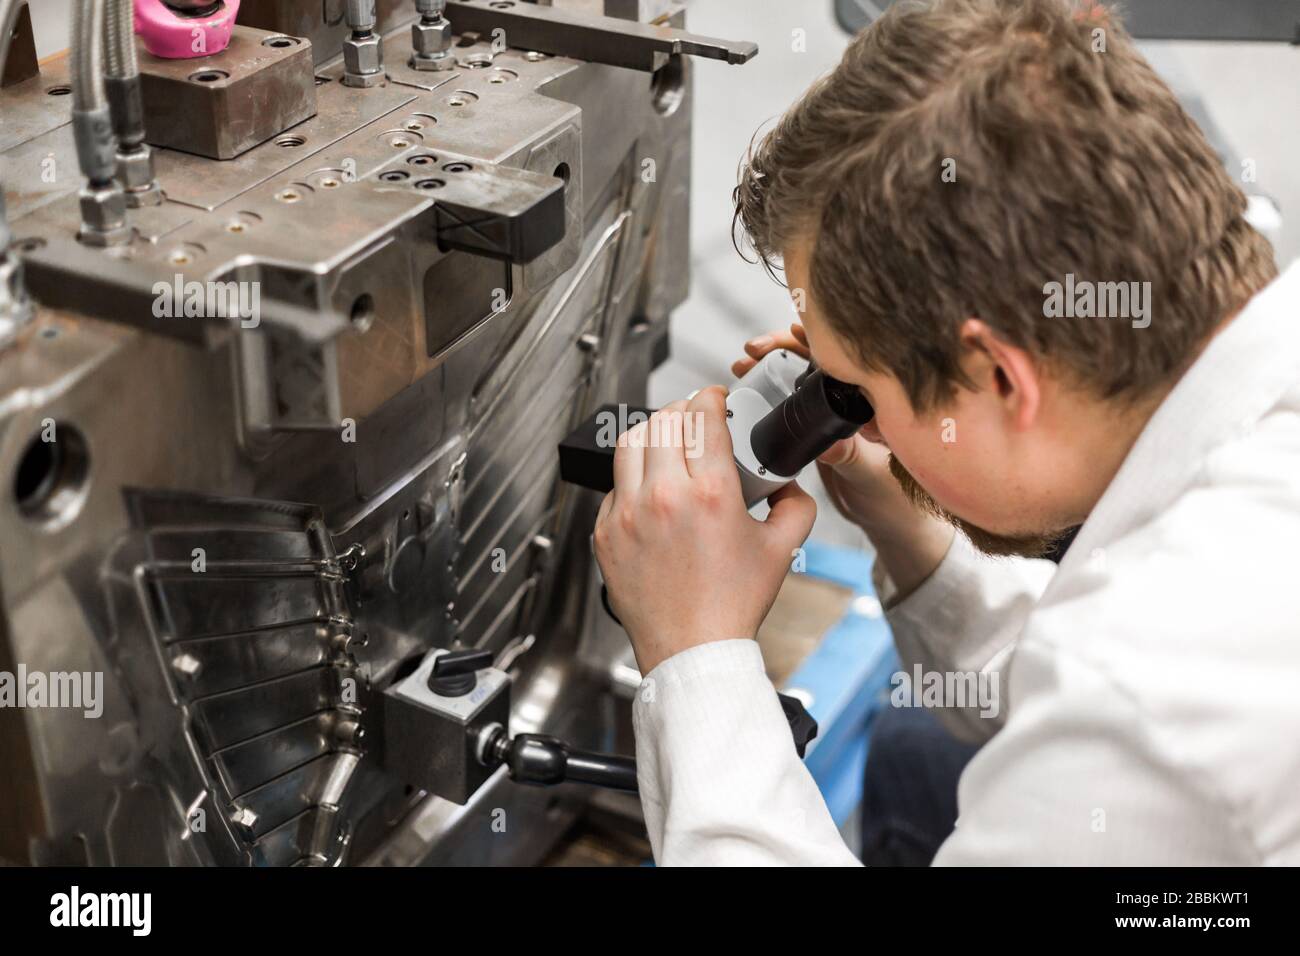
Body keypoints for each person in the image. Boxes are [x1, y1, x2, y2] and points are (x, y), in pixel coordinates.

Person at [592, 0, 1299, 865]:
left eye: (859, 389)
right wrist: (910, 513)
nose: (844, 407)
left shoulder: (1145, 700)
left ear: (1000, 378)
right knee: (920, 752)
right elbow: (1070, 683)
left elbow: (1121, 703)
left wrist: (695, 651)